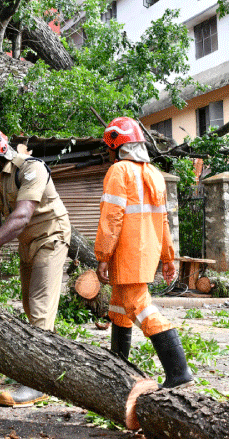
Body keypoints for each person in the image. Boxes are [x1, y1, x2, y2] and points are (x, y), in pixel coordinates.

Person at [0, 120, 72, 407]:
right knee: (29, 305)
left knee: (39, 306)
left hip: (51, 236)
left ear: (0, 149)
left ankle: (39, 383)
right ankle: (52, 364)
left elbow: (21, 216)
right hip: (25, 241)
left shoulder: (31, 169)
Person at [94, 116, 193, 389]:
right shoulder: (154, 174)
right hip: (144, 253)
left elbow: (111, 218)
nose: (107, 152)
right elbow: (163, 221)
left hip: (126, 253)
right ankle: (118, 369)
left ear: (116, 145)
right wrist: (168, 257)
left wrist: (102, 255)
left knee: (139, 307)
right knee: (119, 308)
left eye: (108, 147)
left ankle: (179, 372)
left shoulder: (119, 171)